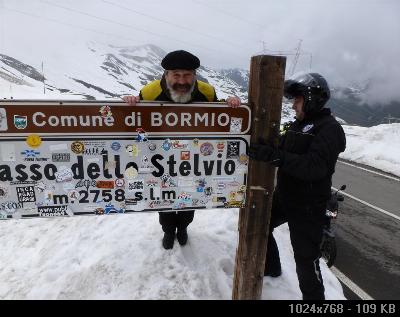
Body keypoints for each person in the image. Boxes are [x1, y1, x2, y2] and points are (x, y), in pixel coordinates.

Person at [123, 49, 241, 250]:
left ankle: (183, 228)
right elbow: (136, 121)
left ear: (194, 75)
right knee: (164, 201)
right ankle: (168, 231)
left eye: (187, 75)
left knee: (191, 200)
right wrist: (131, 102)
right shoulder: (150, 92)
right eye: (176, 75)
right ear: (166, 75)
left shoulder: (207, 91)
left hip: (193, 160)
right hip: (162, 159)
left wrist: (229, 103)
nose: (182, 81)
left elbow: (218, 116)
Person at [248, 72, 346, 300]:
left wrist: (275, 156)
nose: (293, 106)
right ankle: (271, 268)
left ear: (312, 99)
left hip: (308, 206)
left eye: (297, 100)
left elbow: (314, 167)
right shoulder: (298, 124)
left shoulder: (329, 129)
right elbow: (283, 149)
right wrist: (265, 147)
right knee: (262, 226)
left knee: (305, 259)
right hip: (285, 196)